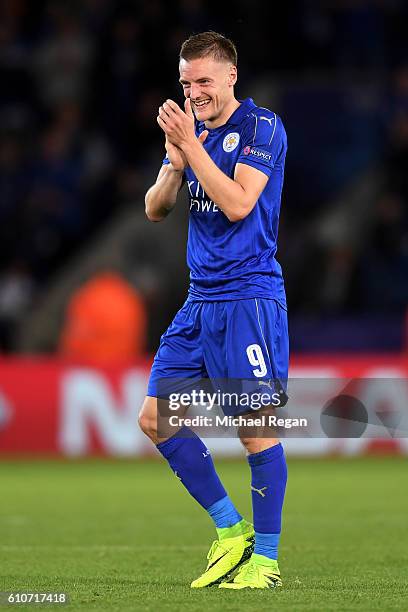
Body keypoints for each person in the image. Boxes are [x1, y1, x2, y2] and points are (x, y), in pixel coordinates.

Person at [139, 31, 289, 590]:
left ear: (230, 76)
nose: (194, 92)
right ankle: (232, 532)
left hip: (248, 298)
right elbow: (155, 209)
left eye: (203, 81)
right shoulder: (191, 134)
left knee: (256, 432)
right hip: (200, 301)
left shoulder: (261, 128)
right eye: (185, 82)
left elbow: (237, 204)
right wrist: (176, 163)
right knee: (156, 419)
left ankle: (266, 564)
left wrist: (192, 146)